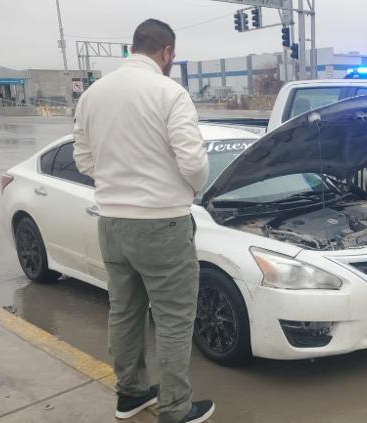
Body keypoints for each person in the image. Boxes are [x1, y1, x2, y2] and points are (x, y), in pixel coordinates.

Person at [73, 19, 214, 423]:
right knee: (173, 319)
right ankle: (175, 408)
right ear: (167, 51)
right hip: (162, 223)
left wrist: (116, 183)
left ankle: (130, 394)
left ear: (133, 47)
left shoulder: (93, 95)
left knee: (124, 311)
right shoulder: (170, 93)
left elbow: (83, 159)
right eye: (173, 54)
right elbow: (193, 164)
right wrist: (187, 190)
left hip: (111, 222)